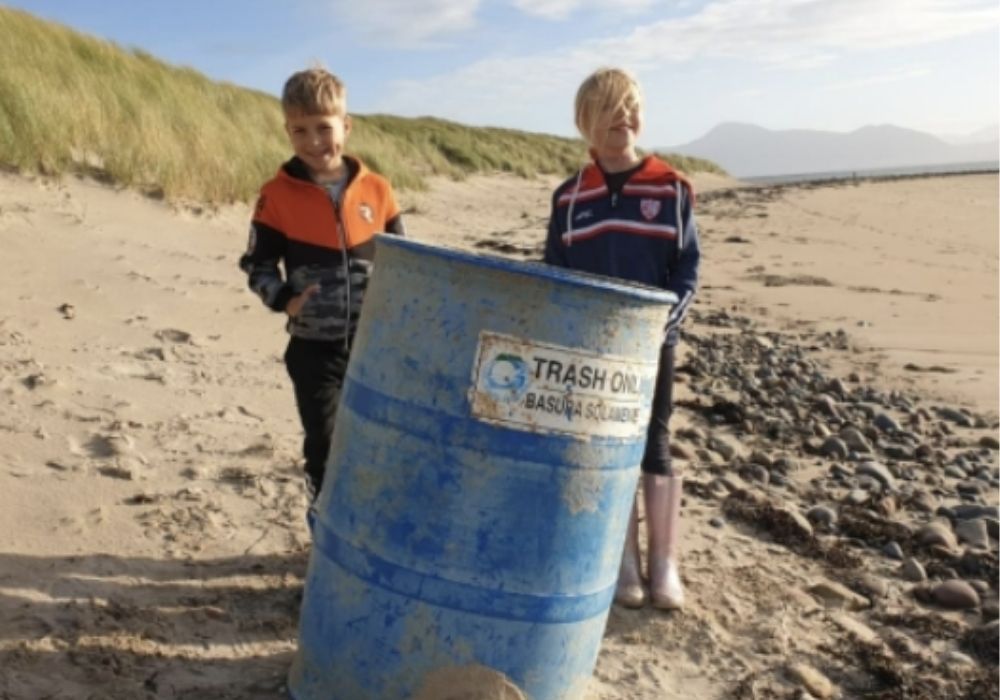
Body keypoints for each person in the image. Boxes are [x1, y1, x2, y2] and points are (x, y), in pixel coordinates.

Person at [543, 67, 699, 610]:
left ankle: (664, 564)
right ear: (586, 122)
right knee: (604, 446)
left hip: (652, 344)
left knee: (653, 443)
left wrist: (666, 320)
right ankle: (624, 560)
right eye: (611, 108)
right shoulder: (569, 199)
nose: (624, 117)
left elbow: (687, 266)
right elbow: (555, 274)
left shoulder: (671, 188)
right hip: (590, 350)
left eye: (632, 106)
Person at [239, 67, 405, 508]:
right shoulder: (277, 195)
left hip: (373, 344)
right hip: (314, 349)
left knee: (373, 434)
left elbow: (404, 264)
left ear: (345, 127)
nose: (313, 141)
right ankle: (323, 510)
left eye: (324, 128)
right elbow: (257, 264)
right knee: (325, 438)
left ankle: (365, 513)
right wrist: (284, 300)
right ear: (287, 131)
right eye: (300, 130)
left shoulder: (379, 190)